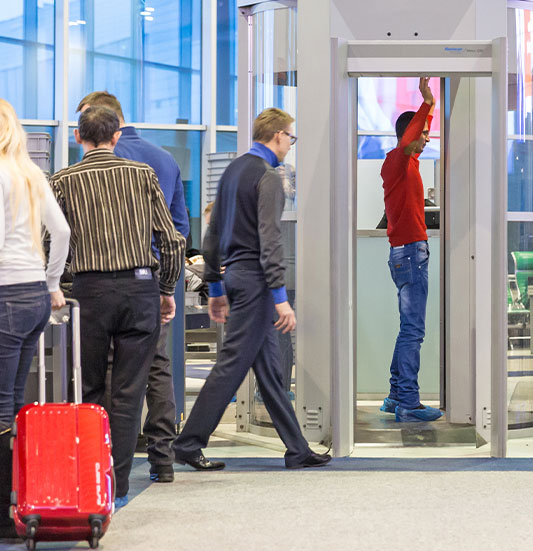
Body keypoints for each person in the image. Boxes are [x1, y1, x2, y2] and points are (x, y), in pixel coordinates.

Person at [172, 108, 331, 470]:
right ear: (277, 135)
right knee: (230, 366)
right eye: (291, 137)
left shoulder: (234, 171)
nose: (291, 144)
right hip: (257, 283)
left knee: (270, 371)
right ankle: (188, 443)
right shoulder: (268, 177)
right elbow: (270, 239)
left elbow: (212, 231)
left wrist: (214, 285)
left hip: (235, 278)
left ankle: (297, 448)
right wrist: (279, 298)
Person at [49, 106, 185, 509]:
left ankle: (92, 481)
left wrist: (57, 282)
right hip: (140, 289)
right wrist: (165, 289)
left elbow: (50, 240)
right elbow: (173, 240)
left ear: (78, 136)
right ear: (116, 136)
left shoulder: (62, 181)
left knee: (89, 389)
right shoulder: (142, 175)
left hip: (88, 294)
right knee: (129, 392)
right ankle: (118, 485)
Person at [0, 100, 70, 538]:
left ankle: (2, 516)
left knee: (0, 404)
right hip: (33, 296)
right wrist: (51, 281)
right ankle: (17, 501)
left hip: (5, 293)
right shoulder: (29, 173)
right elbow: (60, 231)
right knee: (12, 402)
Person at [378, 77, 443, 422]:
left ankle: (394, 395)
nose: (427, 137)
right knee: (413, 331)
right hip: (410, 255)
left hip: (407, 253)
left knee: (408, 327)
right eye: (424, 133)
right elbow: (410, 137)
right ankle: (407, 401)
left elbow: (414, 138)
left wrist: (427, 116)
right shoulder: (397, 162)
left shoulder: (409, 164)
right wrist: (427, 103)